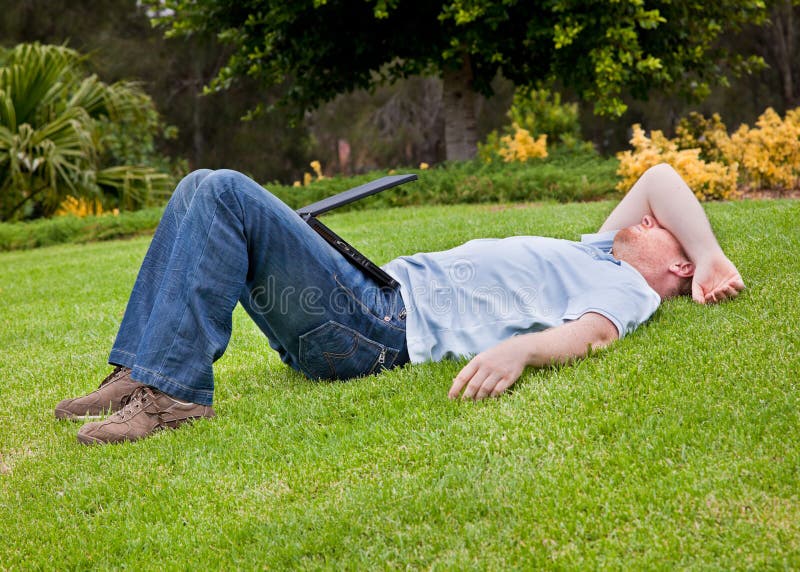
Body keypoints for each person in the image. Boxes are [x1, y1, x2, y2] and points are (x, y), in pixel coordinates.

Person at [54, 163, 745, 444]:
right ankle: (142, 368)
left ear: (675, 265)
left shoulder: (625, 287)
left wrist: (520, 349)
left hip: (379, 328)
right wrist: (704, 249)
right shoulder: (598, 250)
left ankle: (173, 397)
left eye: (664, 232)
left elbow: (595, 335)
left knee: (226, 190)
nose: (649, 218)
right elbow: (659, 176)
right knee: (200, 185)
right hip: (368, 299)